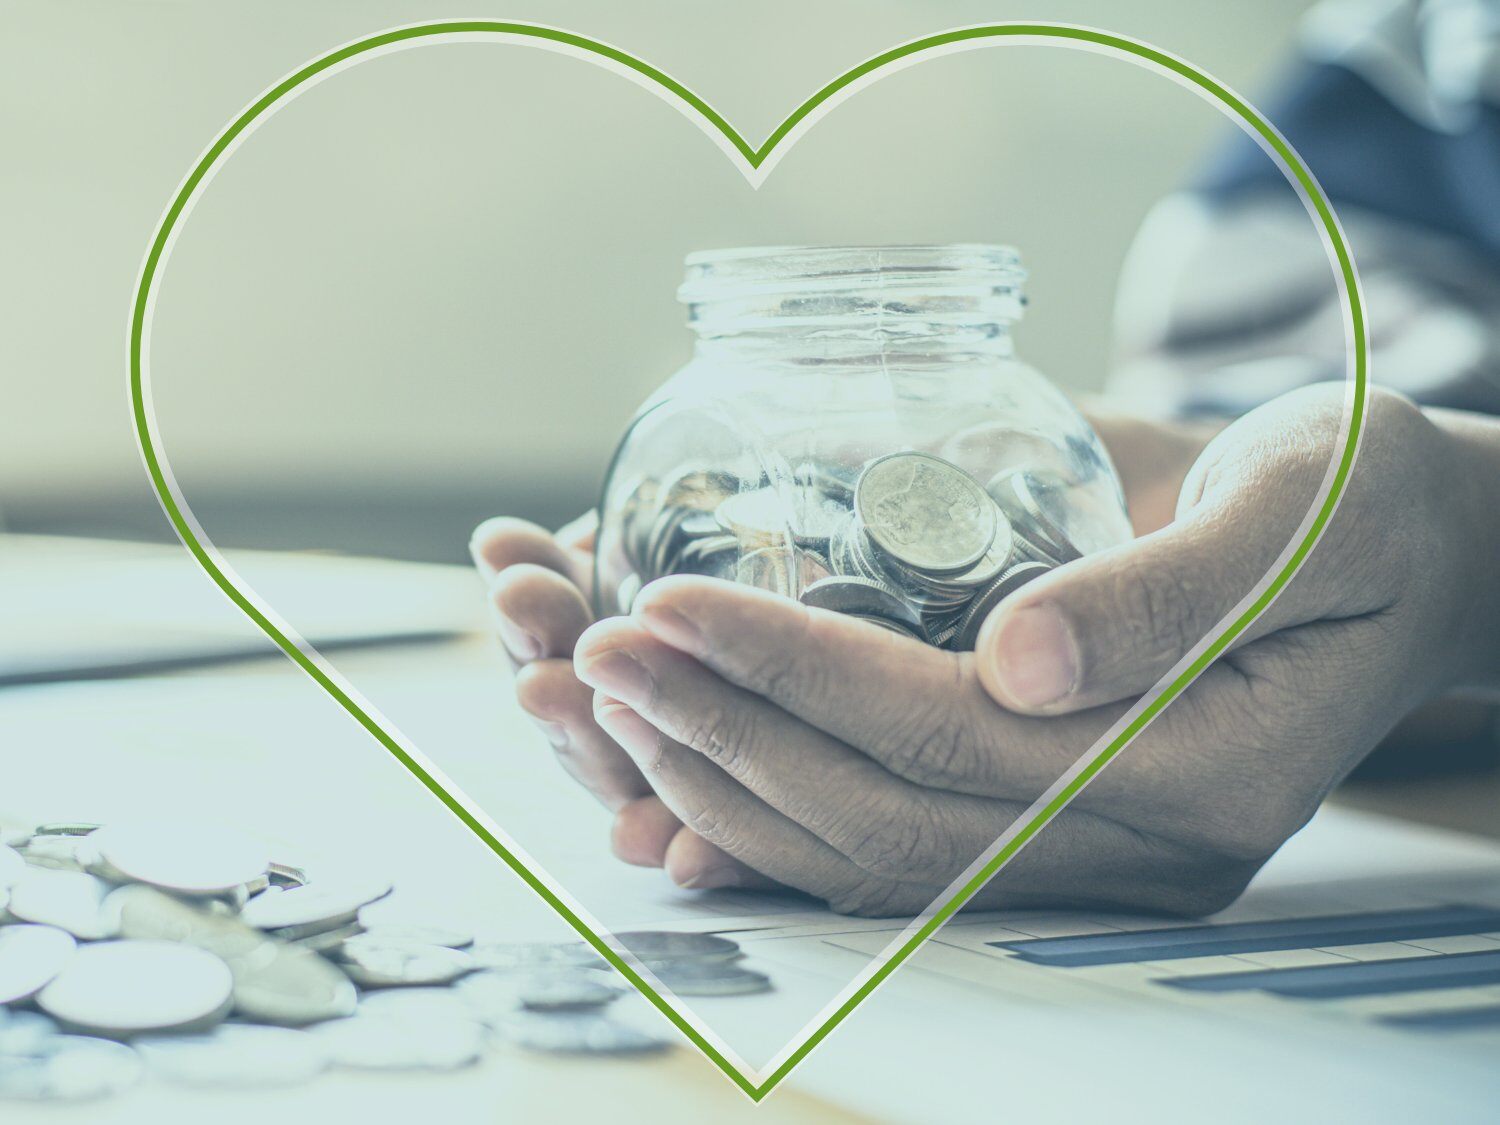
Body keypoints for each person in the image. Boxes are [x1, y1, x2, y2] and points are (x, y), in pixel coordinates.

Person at [469, 0, 1500, 916]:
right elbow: (1312, 422)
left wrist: (1475, 554)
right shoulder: (1393, 64)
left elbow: (1396, 496)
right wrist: (1284, 551)